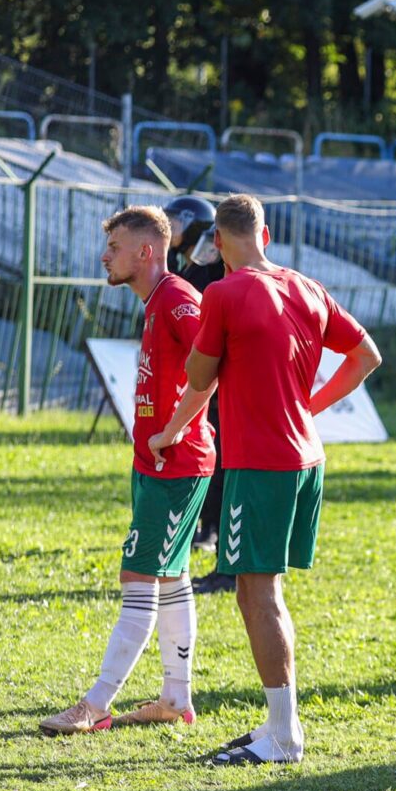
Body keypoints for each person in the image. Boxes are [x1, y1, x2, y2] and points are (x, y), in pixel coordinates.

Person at [150, 194, 382, 765]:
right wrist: (309, 405)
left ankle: (283, 737)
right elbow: (366, 356)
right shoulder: (306, 286)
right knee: (264, 591)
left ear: (218, 244)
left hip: (261, 464)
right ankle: (280, 726)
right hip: (306, 460)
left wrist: (168, 433)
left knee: (257, 593)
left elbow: (200, 380)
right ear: (267, 234)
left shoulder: (223, 293)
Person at [40, 207, 215, 735]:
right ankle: (175, 700)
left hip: (175, 468)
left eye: (114, 247)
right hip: (157, 465)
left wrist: (174, 430)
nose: (104, 257)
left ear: (146, 251)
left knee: (138, 576)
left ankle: (95, 705)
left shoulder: (179, 300)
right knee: (171, 577)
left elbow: (214, 363)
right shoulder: (157, 302)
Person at [162, 195, 235, 593]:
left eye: (175, 222)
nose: (169, 229)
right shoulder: (189, 266)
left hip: (216, 380)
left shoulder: (213, 272)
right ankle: (203, 529)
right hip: (199, 378)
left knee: (222, 462)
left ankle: (226, 553)